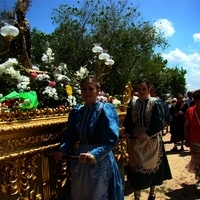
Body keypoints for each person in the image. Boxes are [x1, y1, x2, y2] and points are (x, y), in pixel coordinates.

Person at [54, 75, 124, 200]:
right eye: (84, 89)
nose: (87, 92)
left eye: (90, 89)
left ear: (97, 90)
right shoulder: (77, 112)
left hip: (100, 159)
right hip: (80, 162)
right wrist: (62, 150)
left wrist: (94, 154)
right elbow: (70, 137)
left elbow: (111, 140)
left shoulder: (106, 109)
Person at [123, 78, 172, 200]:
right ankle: (137, 197)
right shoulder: (132, 103)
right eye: (139, 89)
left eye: (144, 89)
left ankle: (152, 193)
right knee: (136, 169)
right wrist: (128, 132)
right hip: (136, 140)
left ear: (149, 89)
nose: (141, 91)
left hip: (151, 140)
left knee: (152, 167)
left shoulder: (155, 103)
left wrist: (147, 134)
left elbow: (159, 123)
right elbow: (129, 121)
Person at [184, 89, 200, 187]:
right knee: (197, 162)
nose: (198, 103)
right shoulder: (190, 111)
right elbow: (186, 126)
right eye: (196, 101)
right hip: (194, 141)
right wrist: (186, 139)